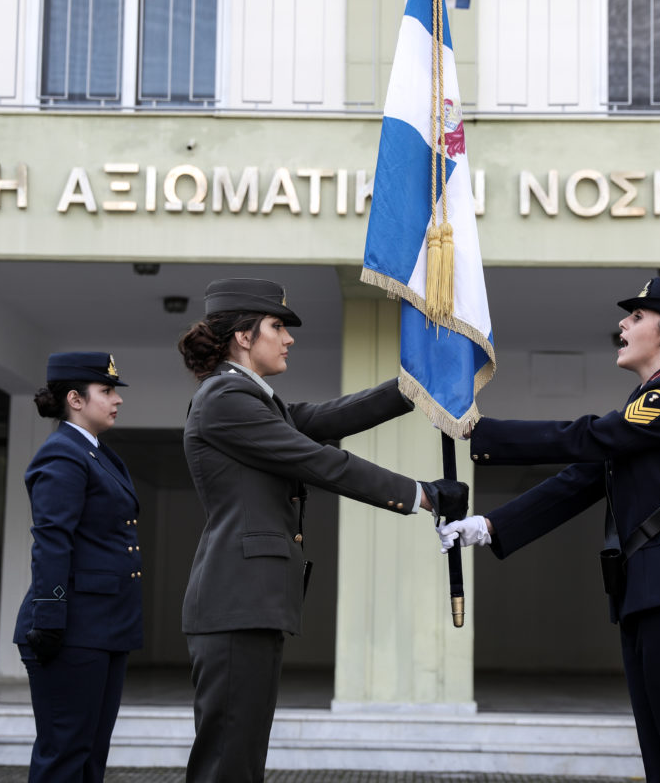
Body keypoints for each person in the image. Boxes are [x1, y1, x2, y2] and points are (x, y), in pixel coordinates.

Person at [438, 277, 660, 783]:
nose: (622, 323)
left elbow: (589, 437)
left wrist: (479, 430)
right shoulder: (650, 399)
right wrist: (489, 526)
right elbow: (579, 482)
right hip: (649, 596)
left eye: (637, 317)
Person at [178, 278, 468, 783]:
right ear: (243, 337)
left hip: (249, 603)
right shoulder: (225, 398)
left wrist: (416, 386)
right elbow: (320, 462)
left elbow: (325, 417)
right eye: (277, 327)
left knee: (241, 760)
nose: (288, 338)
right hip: (235, 602)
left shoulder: (252, 399)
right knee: (228, 762)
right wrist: (423, 494)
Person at [12, 352, 142, 783]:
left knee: (89, 757)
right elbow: (52, 541)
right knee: (64, 755)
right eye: (106, 391)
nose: (116, 400)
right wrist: (50, 619)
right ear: (75, 398)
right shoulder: (63, 454)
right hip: (69, 629)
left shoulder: (95, 452)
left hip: (102, 626)